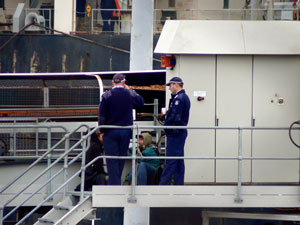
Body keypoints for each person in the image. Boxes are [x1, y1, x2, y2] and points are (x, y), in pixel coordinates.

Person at [98, 73, 144, 185]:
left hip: (110, 131)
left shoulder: (106, 95)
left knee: (111, 160)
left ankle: (114, 186)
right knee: (121, 159)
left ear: (113, 82)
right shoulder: (129, 94)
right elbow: (141, 102)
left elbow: (102, 115)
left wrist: (101, 130)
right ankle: (116, 184)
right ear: (124, 82)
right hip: (125, 131)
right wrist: (130, 89)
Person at [159, 77, 190, 185]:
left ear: (176, 84)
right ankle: (178, 184)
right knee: (178, 161)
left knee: (171, 160)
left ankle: (163, 185)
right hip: (179, 132)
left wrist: (168, 128)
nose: (169, 88)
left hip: (176, 133)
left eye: (170, 85)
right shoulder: (181, 97)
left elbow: (175, 117)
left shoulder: (179, 99)